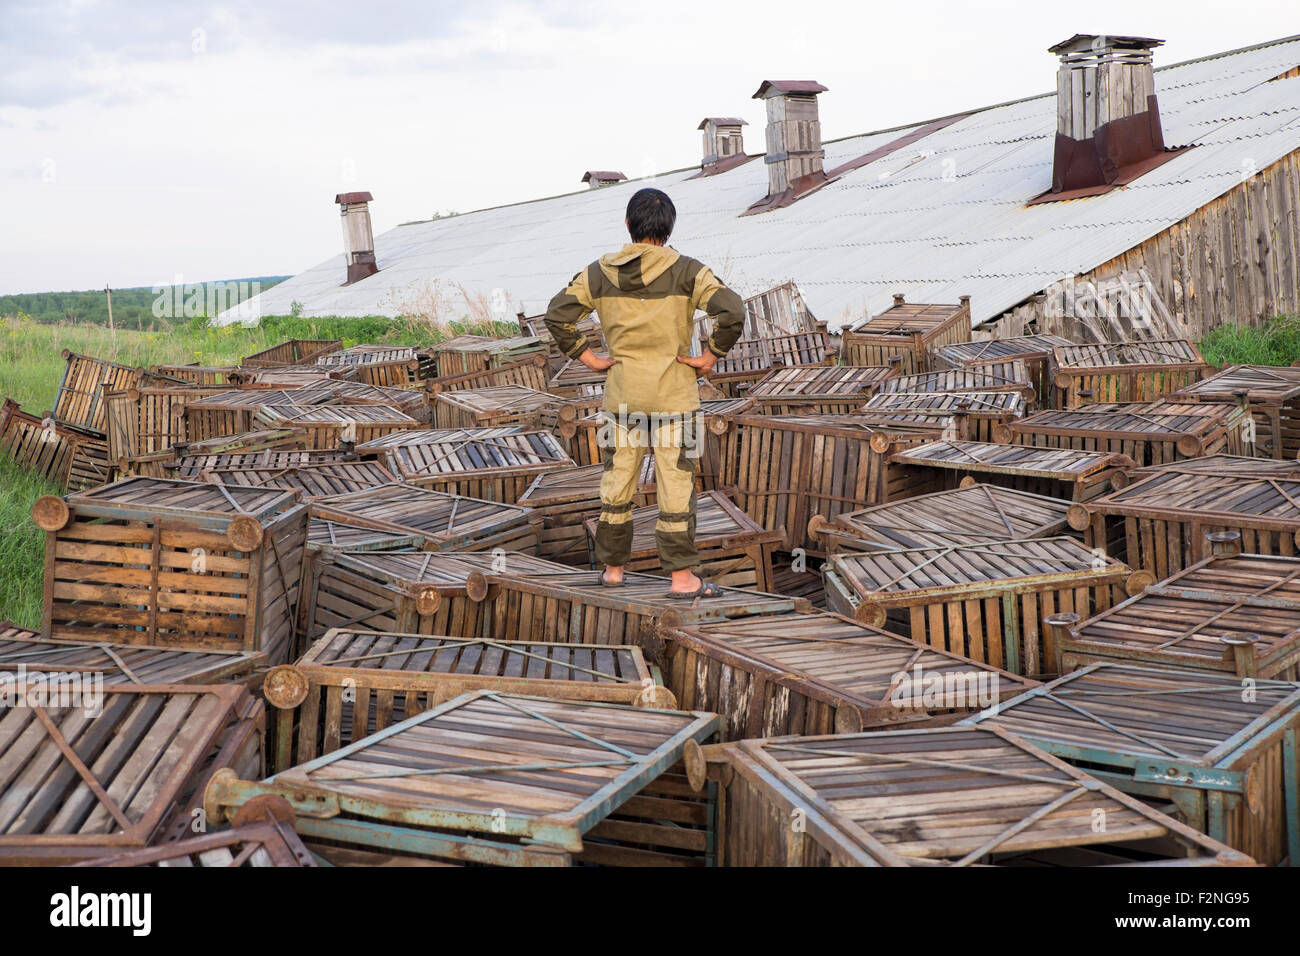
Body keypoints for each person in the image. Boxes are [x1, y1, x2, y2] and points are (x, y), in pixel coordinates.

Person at [543, 187, 745, 597]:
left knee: (617, 483)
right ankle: (682, 578)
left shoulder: (598, 273)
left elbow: (556, 315)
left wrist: (589, 358)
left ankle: (613, 570)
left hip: (621, 400)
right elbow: (733, 311)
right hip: (677, 401)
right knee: (677, 485)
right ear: (669, 228)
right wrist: (711, 356)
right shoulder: (690, 272)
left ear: (628, 225)